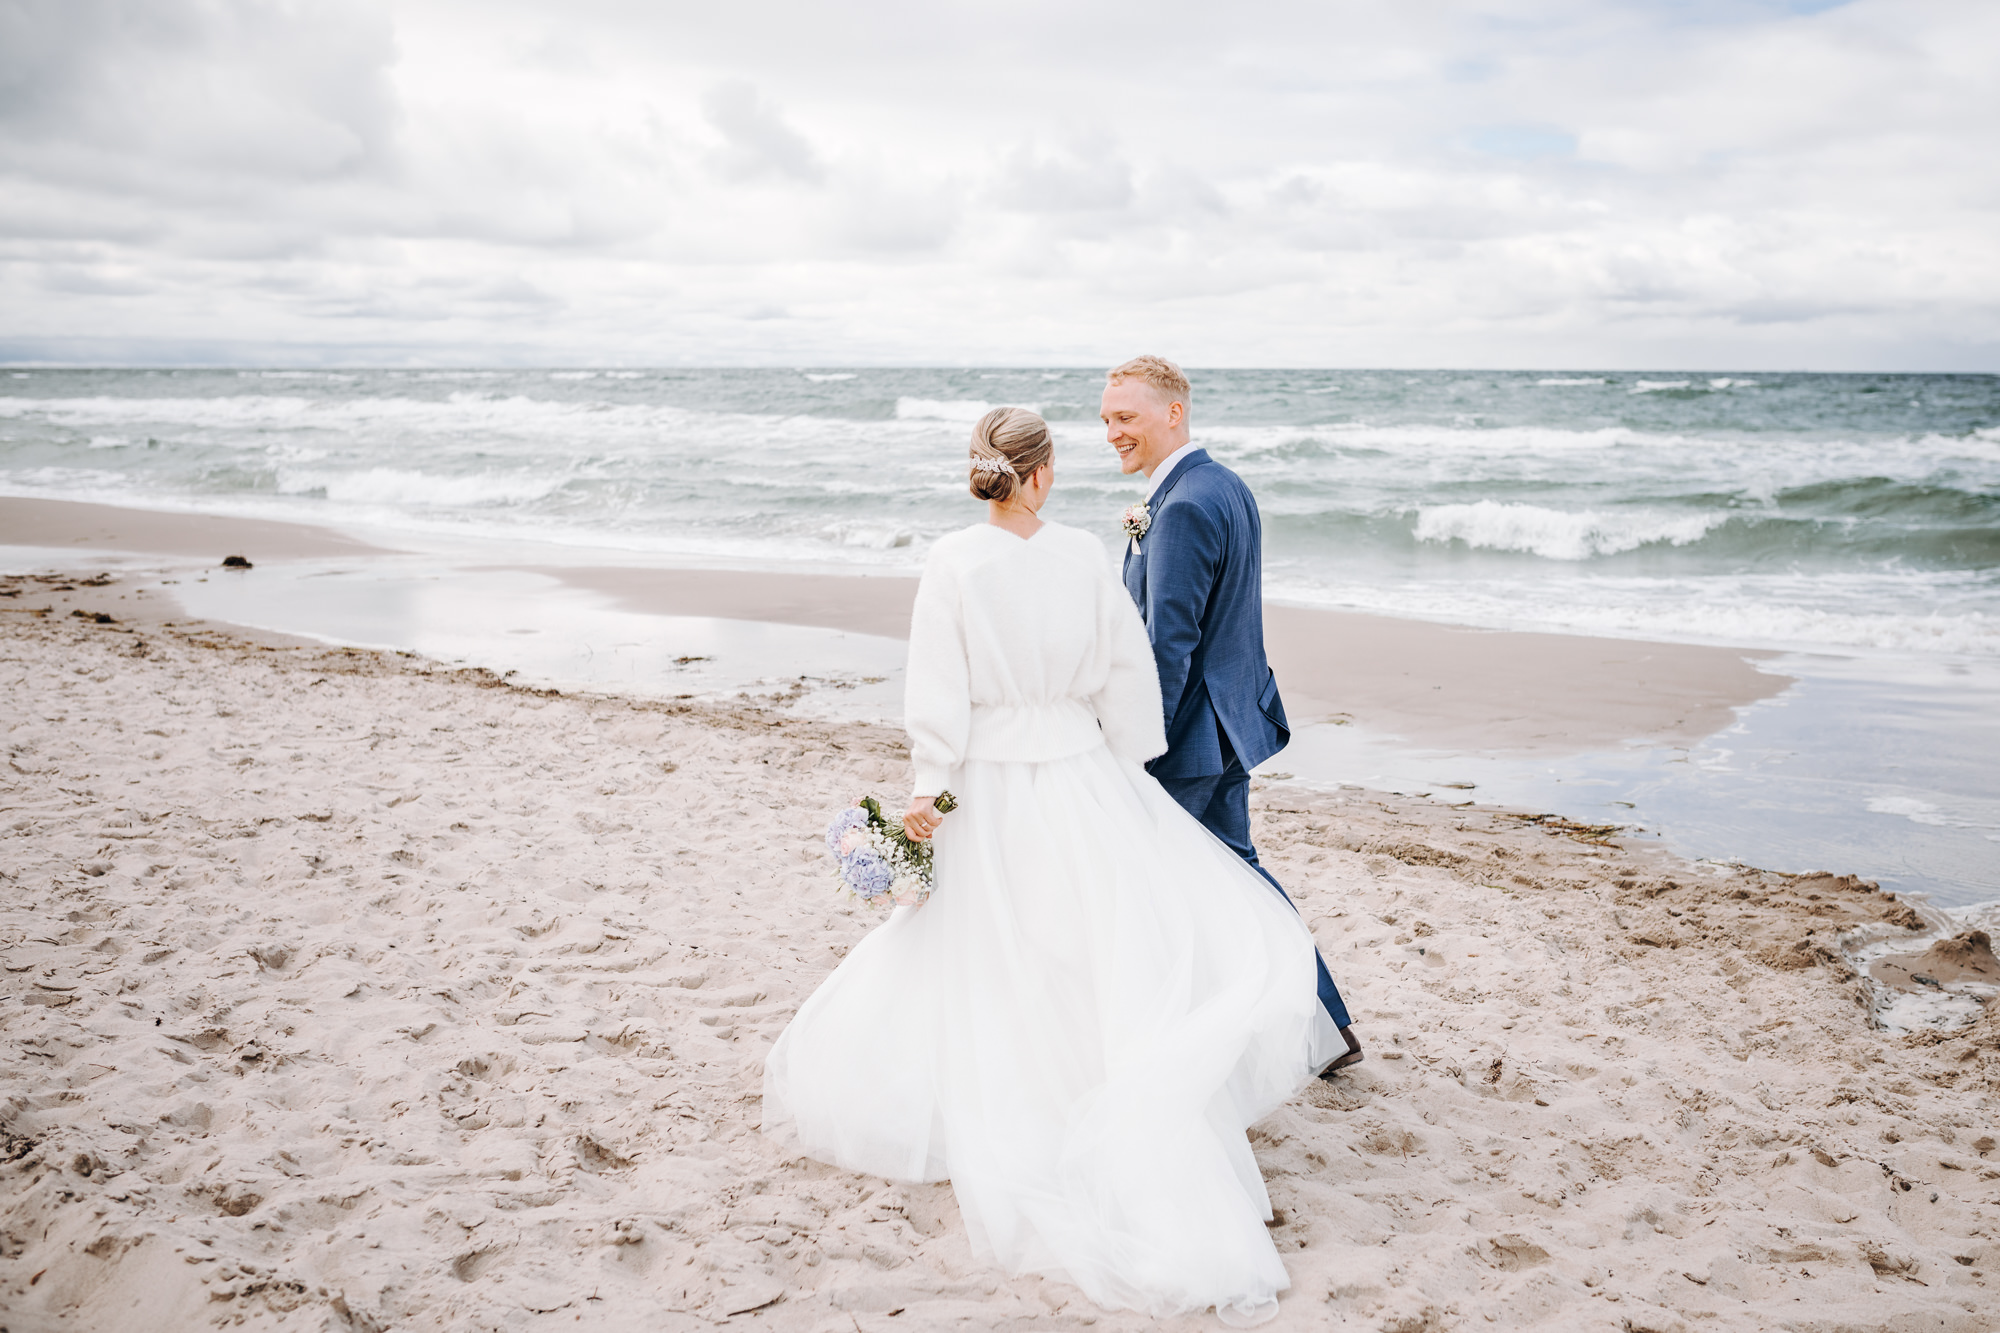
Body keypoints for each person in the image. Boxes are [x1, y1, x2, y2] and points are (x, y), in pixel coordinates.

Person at [762, 407, 1332, 1326]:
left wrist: (930, 786)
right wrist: (1130, 762)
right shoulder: (1078, 556)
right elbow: (1126, 673)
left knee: (989, 948)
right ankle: (1095, 1111)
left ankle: (1003, 1111)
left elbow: (937, 692)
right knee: (1087, 946)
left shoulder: (953, 562)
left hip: (989, 780)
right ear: (1042, 472)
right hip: (1076, 774)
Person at [1102, 355, 1362, 1075]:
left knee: (1168, 889)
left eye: (1126, 417)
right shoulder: (1224, 485)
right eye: (1106, 420)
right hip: (1229, 722)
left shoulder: (1181, 505)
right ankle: (1324, 1029)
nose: (1112, 433)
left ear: (1172, 413)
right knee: (1237, 878)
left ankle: (1208, 1036)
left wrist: (1133, 747)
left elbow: (1170, 646)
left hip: (1187, 738)